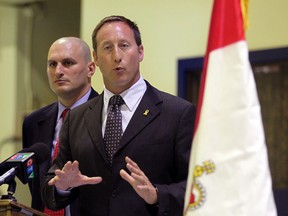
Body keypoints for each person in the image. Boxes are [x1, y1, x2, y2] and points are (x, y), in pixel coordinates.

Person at [41, 16, 196, 216]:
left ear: (140, 52)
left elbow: (196, 187)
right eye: (107, 48)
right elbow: (50, 187)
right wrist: (62, 186)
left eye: (124, 45)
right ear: (95, 59)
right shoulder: (76, 118)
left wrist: (157, 194)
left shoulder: (178, 113)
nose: (117, 56)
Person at [22, 37, 99, 213]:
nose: (58, 71)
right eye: (52, 64)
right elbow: (34, 184)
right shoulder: (33, 122)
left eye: (68, 63)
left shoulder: (107, 115)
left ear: (90, 69)